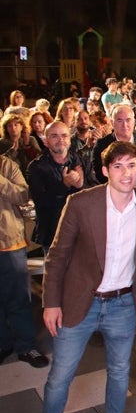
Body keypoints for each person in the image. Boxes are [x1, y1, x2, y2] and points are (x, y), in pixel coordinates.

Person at [42, 142, 136, 413]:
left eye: (131, 165)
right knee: (60, 377)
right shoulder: (81, 203)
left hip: (122, 304)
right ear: (105, 171)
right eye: (118, 166)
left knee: (119, 374)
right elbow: (57, 256)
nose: (126, 173)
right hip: (81, 302)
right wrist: (51, 302)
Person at [0, 154, 49, 368]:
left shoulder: (6, 165)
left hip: (9, 243)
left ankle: (26, 345)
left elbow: (23, 195)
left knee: (18, 298)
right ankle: (3, 344)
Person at [27, 122, 86, 254]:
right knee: (55, 274)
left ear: (70, 140)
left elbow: (94, 189)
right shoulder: (36, 167)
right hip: (53, 232)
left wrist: (80, 185)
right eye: (54, 136)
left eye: (64, 135)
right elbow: (41, 202)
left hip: (81, 231)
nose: (61, 140)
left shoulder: (79, 160)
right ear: (45, 141)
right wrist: (64, 185)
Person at [92, 104, 136, 191]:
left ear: (134, 121)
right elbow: (99, 175)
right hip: (114, 194)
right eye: (119, 120)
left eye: (128, 120)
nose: (124, 125)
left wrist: (134, 166)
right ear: (111, 122)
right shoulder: (102, 144)